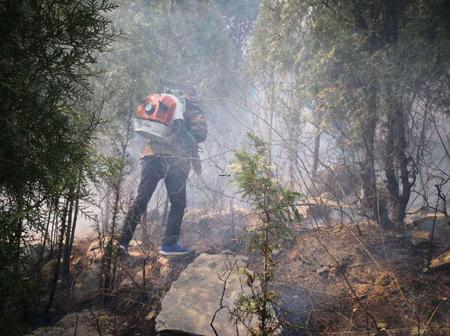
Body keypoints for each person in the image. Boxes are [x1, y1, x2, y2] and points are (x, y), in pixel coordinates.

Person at [118, 90, 207, 256]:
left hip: (151, 156)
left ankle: (122, 242)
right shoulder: (187, 111)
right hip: (175, 161)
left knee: (141, 198)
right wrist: (197, 166)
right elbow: (188, 135)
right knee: (178, 203)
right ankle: (169, 245)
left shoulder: (167, 106)